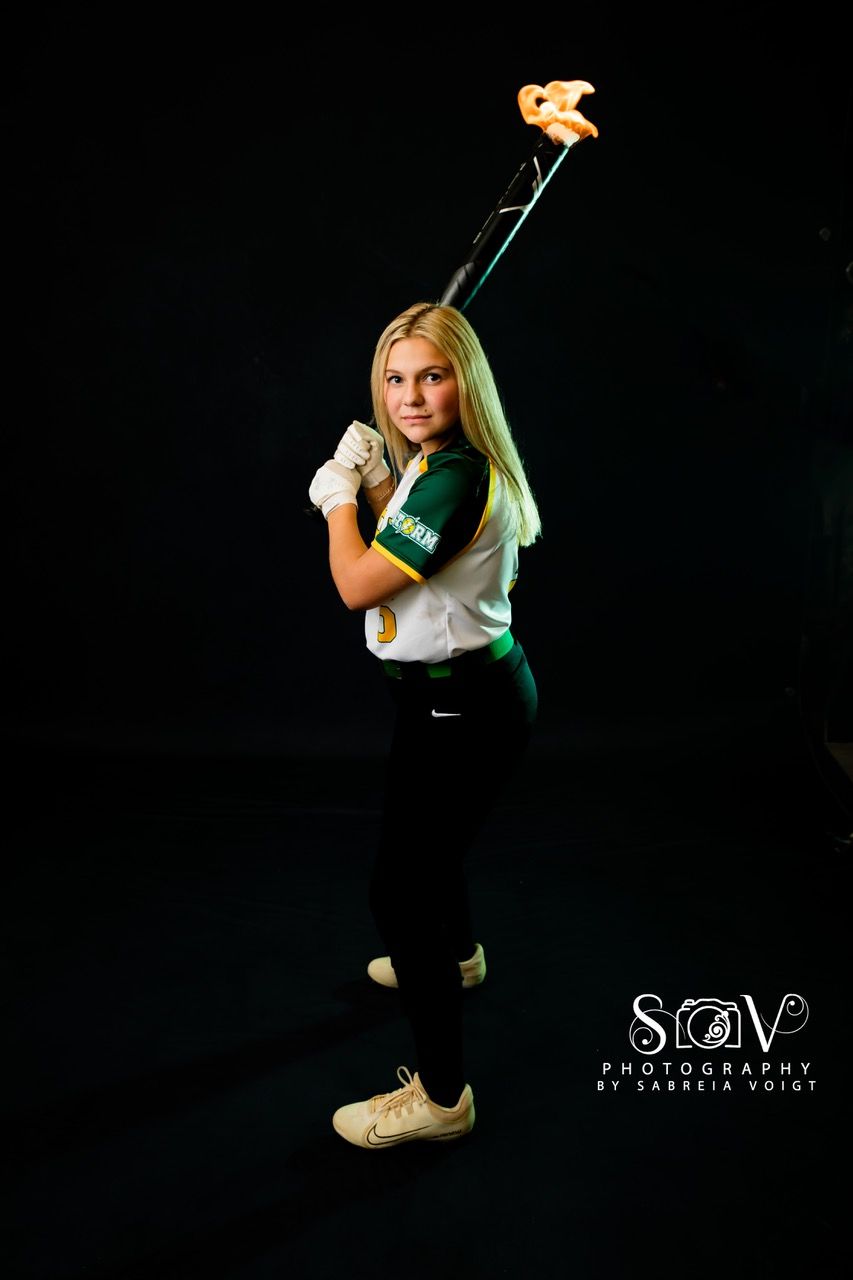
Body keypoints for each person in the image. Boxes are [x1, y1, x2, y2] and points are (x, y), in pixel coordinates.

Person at [308, 301, 540, 1149]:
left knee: (399, 889)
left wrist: (336, 500)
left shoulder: (451, 475)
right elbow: (414, 550)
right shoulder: (436, 464)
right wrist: (374, 480)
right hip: (457, 698)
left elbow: (361, 585)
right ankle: (459, 960)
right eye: (395, 380)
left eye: (431, 377)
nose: (410, 397)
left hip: (462, 707)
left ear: (463, 382)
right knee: (431, 857)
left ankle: (443, 1100)